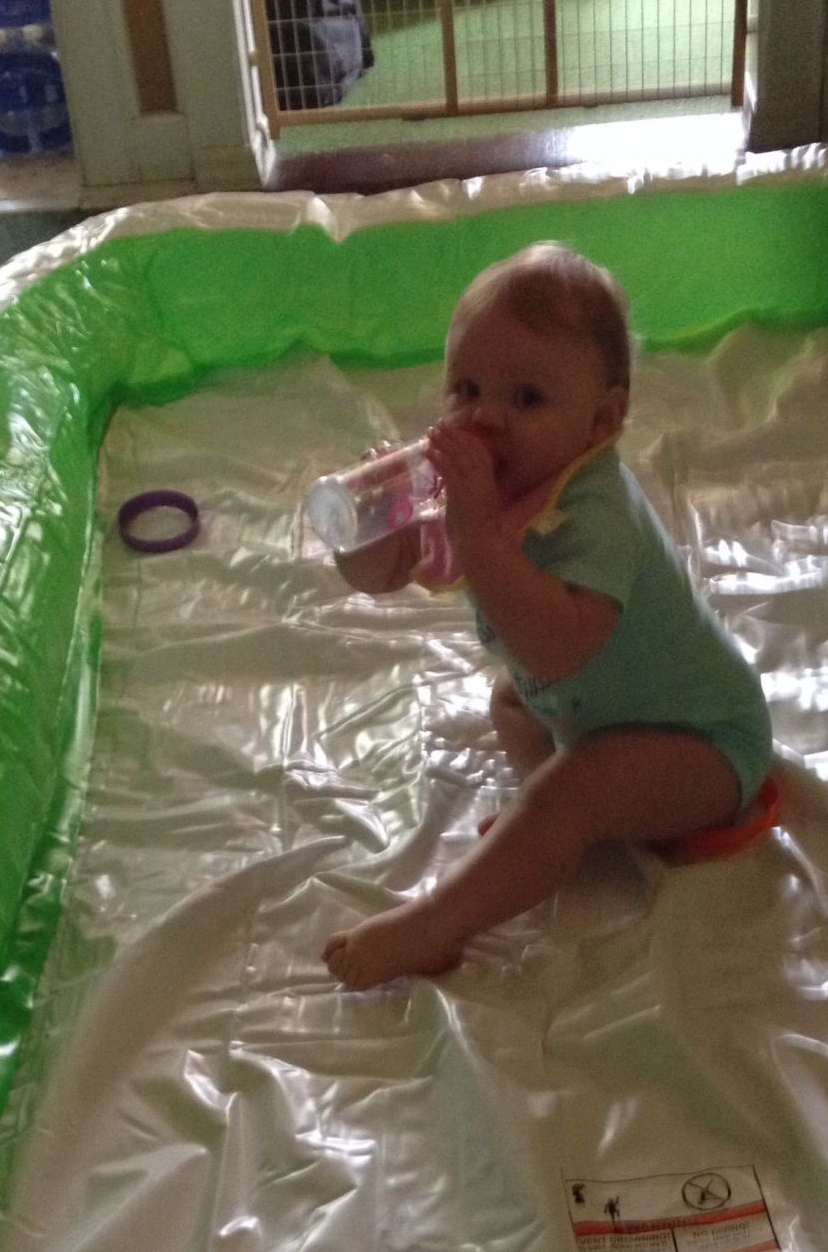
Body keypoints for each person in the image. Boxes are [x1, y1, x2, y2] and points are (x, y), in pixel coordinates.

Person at [322, 241, 771, 989]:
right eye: (466, 389)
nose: (486, 417)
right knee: (510, 704)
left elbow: (560, 650)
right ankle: (552, 831)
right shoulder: (488, 491)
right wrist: (373, 527)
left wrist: (477, 536)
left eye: (526, 399)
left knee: (576, 786)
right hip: (592, 721)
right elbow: (380, 577)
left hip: (707, 749)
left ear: (601, 421)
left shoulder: (596, 510)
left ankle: (440, 921)